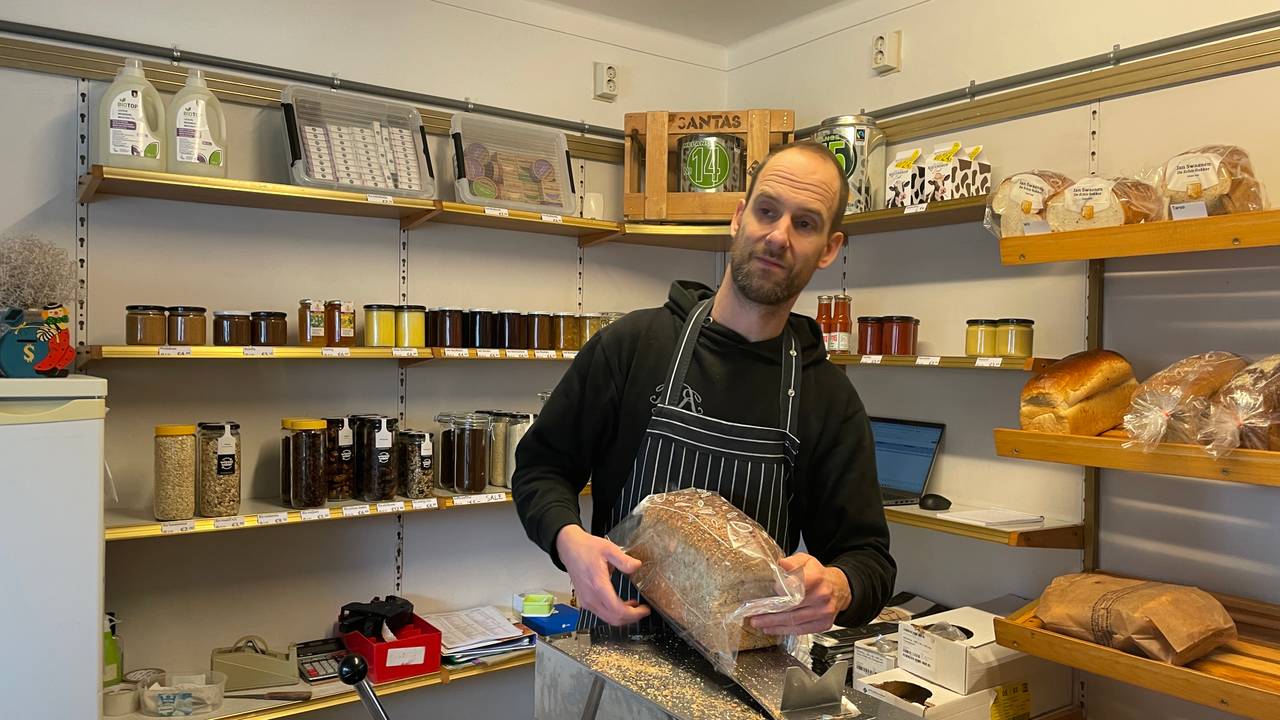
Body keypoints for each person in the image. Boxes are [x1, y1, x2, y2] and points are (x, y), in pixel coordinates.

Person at [512, 142, 895, 637]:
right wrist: (568, 541)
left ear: (828, 248)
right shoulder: (634, 345)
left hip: (745, 679)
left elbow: (869, 559)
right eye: (766, 210)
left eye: (804, 223)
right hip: (614, 658)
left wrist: (838, 587)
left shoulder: (828, 397)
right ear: (739, 218)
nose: (778, 235)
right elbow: (541, 468)